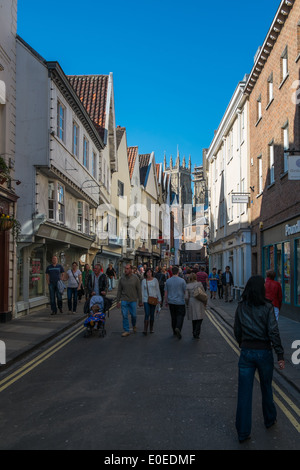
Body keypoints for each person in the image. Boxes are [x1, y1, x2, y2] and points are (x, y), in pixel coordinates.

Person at [234, 275, 285, 443]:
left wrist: (243, 343)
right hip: (264, 352)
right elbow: (273, 331)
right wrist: (280, 354)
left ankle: (243, 432)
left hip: (247, 352)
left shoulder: (241, 306)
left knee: (244, 393)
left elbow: (237, 330)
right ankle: (269, 419)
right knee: (266, 387)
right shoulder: (267, 307)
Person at [116, 264, 143, 337]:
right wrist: (117, 301)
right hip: (124, 299)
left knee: (134, 315)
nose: (125, 270)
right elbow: (119, 290)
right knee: (124, 315)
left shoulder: (136, 278)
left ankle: (134, 325)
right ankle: (126, 330)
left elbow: (139, 290)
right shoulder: (122, 278)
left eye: (127, 269)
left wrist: (140, 301)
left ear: (131, 270)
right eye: (125, 268)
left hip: (133, 300)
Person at [165, 266, 187, 339]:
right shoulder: (182, 281)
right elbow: (185, 291)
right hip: (180, 302)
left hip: (171, 302)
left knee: (173, 317)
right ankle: (178, 328)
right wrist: (186, 300)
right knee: (180, 316)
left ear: (172, 271)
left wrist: (166, 301)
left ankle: (174, 331)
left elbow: (166, 292)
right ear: (178, 272)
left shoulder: (168, 281)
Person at [185, 273, 207, 339]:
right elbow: (204, 294)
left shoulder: (187, 285)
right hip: (199, 301)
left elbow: (186, 297)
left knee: (193, 318)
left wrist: (187, 303)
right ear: (196, 277)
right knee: (200, 318)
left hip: (191, 302)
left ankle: (194, 332)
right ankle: (197, 333)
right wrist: (205, 302)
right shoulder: (199, 284)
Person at [142, 268, 161, 335]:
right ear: (146, 273)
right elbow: (142, 291)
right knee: (147, 313)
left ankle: (151, 328)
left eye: (150, 272)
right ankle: (145, 329)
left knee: (152, 314)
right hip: (146, 299)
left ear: (152, 273)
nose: (149, 273)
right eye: (148, 272)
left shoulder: (155, 280)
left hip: (154, 299)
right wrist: (141, 300)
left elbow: (157, 290)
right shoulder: (144, 281)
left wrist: (159, 299)